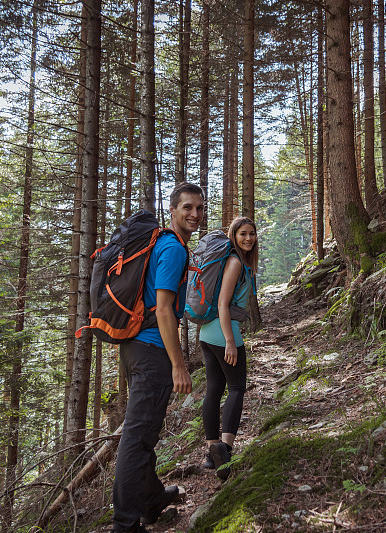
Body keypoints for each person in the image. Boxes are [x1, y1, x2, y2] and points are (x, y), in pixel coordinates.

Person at [112, 182, 204, 533]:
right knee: (137, 437)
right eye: (187, 208)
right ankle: (125, 523)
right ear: (173, 210)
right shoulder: (174, 249)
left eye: (199, 207)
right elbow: (164, 310)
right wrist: (179, 365)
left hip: (136, 347)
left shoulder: (165, 243)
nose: (194, 214)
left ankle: (152, 501)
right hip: (152, 351)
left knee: (144, 432)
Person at [200, 216, 258, 480]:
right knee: (236, 388)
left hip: (207, 332)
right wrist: (231, 342)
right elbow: (223, 303)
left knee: (214, 389)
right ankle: (225, 449)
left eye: (252, 234)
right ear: (233, 236)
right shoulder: (234, 262)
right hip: (224, 333)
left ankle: (212, 451)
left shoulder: (236, 261)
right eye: (243, 234)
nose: (248, 238)